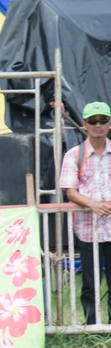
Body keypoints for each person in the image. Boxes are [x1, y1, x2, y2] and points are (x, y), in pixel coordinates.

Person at [60, 102, 111, 325]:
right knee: (89, 282)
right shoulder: (74, 155)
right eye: (93, 121)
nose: (98, 125)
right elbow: (70, 191)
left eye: (102, 120)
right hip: (86, 229)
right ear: (84, 124)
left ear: (109, 124)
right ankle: (92, 327)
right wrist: (93, 204)